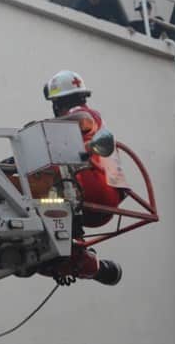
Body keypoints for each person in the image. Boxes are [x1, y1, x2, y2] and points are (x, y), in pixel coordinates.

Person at [38, 70, 127, 285]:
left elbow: (81, 118)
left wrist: (38, 132)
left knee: (36, 185)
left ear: (57, 102)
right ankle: (71, 250)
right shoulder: (95, 126)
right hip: (104, 200)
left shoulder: (83, 115)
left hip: (91, 189)